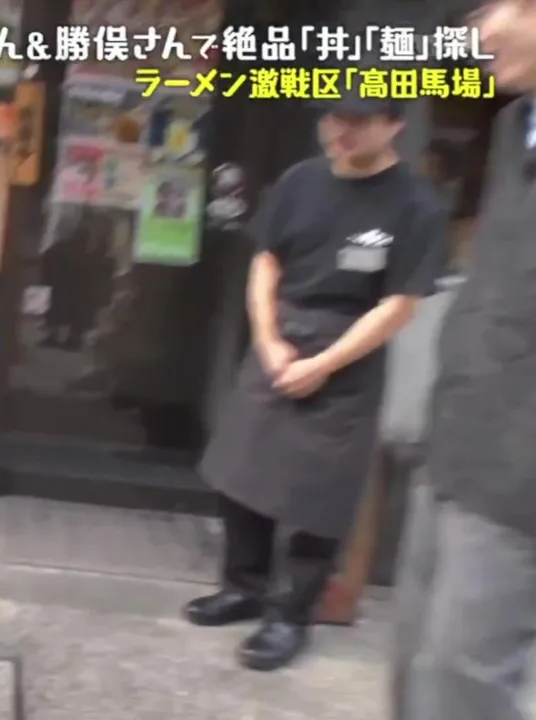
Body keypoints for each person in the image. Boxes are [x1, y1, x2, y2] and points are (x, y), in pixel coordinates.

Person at [184, 89, 447, 672]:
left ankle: (290, 615)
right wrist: (269, 340)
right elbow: (266, 262)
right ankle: (243, 586)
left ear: (394, 126)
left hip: (350, 351)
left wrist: (324, 364)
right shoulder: (300, 181)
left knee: (318, 497)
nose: (340, 132)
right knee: (243, 472)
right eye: (333, 118)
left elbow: (400, 305)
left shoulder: (415, 204)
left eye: (358, 122)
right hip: (280, 334)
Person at [390, 2, 536, 717]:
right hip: (454, 437)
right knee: (413, 655)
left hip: (519, 474)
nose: (482, 30)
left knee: (463, 677)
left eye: (506, 6)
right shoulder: (517, 125)